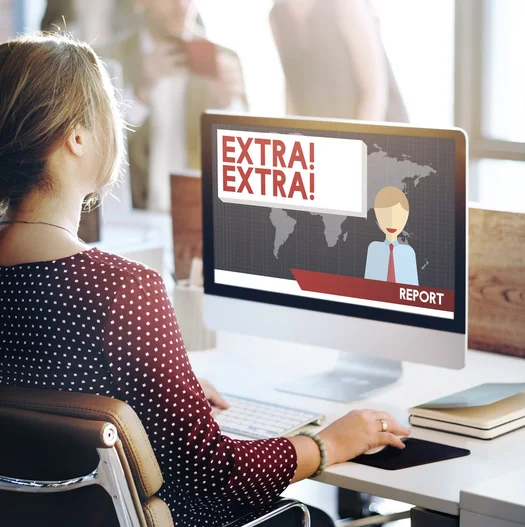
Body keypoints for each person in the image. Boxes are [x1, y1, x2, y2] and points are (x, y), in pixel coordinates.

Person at [0, 34, 411, 527]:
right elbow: (214, 476)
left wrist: (158, 386)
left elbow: (40, 387)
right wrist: (328, 444)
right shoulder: (122, 292)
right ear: (77, 137)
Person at [100, 0, 248, 211]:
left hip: (198, 213)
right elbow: (97, 146)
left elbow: (242, 158)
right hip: (130, 216)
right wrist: (139, 92)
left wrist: (226, 104)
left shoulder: (224, 59)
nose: (181, 6)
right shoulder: (108, 58)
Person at [270, 0, 409, 122]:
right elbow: (293, 86)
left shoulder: (346, 4)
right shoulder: (276, 16)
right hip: (330, 135)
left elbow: (375, 91)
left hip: (377, 129)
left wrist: (354, 144)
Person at [364, 187, 419, 285]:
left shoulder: (408, 252)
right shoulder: (374, 249)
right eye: (385, 216)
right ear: (377, 221)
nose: (391, 222)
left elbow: (412, 287)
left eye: (398, 217)